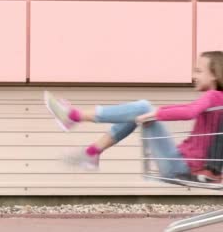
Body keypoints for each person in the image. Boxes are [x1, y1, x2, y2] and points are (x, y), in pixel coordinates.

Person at [44, 51, 223, 181]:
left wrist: (157, 113)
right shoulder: (216, 99)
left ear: (215, 76)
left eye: (199, 71)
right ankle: (91, 150)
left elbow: (189, 111)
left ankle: (74, 117)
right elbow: (187, 107)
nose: (193, 76)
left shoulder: (214, 96)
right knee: (142, 110)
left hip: (181, 165)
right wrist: (157, 112)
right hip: (181, 163)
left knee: (142, 107)